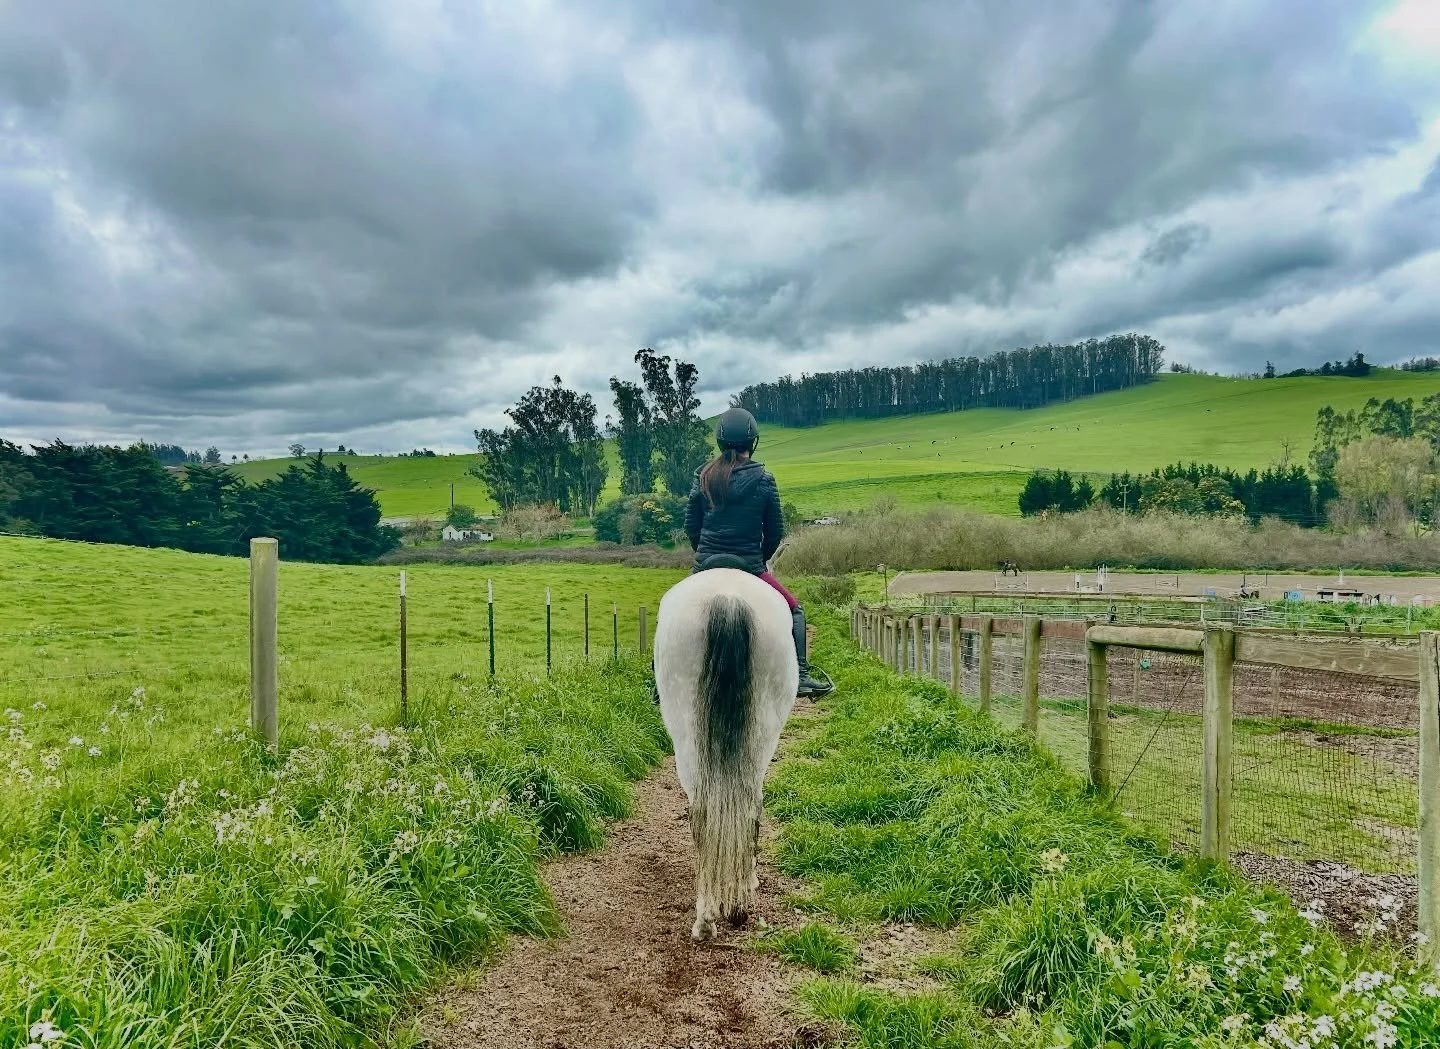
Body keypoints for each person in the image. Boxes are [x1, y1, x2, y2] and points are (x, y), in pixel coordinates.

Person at [683, 406, 832, 698]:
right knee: (795, 610)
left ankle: (660, 682)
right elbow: (775, 531)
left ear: (720, 441)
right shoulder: (764, 479)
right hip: (749, 565)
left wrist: (703, 559)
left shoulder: (702, 477)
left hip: (706, 565)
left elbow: (692, 527)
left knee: (671, 609)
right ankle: (800, 676)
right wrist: (757, 560)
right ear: (753, 442)